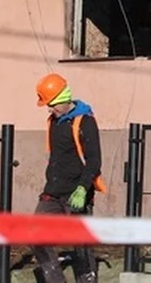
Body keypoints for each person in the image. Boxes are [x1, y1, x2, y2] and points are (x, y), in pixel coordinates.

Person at [32, 72, 105, 283]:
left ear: (64, 98)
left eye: (52, 104)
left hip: (77, 193)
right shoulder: (54, 122)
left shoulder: (85, 122)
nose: (50, 109)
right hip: (53, 193)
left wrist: (83, 188)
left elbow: (94, 161)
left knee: (81, 246)